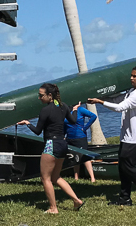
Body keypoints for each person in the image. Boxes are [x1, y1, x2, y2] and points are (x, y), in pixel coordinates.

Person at [88, 65, 136, 207]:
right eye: (131, 75)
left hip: (135, 138)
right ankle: (125, 198)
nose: (131, 78)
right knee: (123, 168)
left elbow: (120, 107)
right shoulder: (132, 91)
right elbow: (117, 100)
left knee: (128, 167)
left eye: (134, 76)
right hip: (127, 137)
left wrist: (100, 102)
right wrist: (100, 97)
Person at [17, 83, 85, 214]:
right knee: (55, 177)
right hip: (62, 144)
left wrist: (27, 123)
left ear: (50, 95)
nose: (39, 98)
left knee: (45, 178)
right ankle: (76, 200)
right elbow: (73, 121)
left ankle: (53, 208)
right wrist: (75, 110)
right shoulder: (64, 106)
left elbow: (37, 131)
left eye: (41, 95)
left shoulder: (45, 110)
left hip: (51, 144)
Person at [65, 102, 97, 183]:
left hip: (80, 137)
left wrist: (85, 128)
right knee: (75, 157)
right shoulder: (65, 111)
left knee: (85, 157)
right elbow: (64, 125)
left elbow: (93, 116)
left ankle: (92, 178)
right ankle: (76, 177)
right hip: (69, 138)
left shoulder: (80, 110)